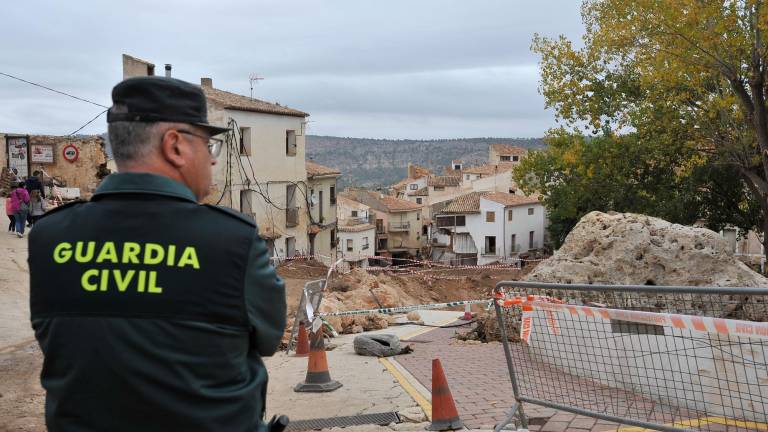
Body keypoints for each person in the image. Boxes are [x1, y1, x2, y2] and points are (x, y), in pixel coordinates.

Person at [28, 76, 287, 431]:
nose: (212, 161)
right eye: (208, 146)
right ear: (175, 145)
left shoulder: (48, 237)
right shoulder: (232, 242)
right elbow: (270, 339)